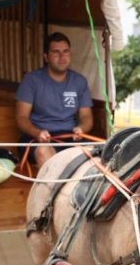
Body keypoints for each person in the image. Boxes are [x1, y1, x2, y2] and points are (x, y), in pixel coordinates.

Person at [15, 32, 94, 168]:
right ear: (46, 57)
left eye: (65, 51)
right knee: (43, 151)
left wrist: (81, 129)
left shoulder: (79, 81)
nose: (62, 57)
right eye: (56, 52)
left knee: (95, 152)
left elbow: (86, 117)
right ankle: (57, 190)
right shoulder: (31, 80)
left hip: (70, 137)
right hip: (38, 138)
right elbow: (21, 117)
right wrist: (37, 133)